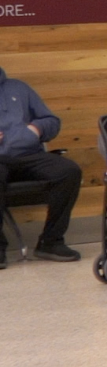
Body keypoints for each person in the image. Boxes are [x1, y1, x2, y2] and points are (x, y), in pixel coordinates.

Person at [0, 63, 82, 262]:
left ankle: (51, 241)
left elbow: (52, 121)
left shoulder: (19, 88)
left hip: (29, 154)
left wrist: (35, 129)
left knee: (68, 171)